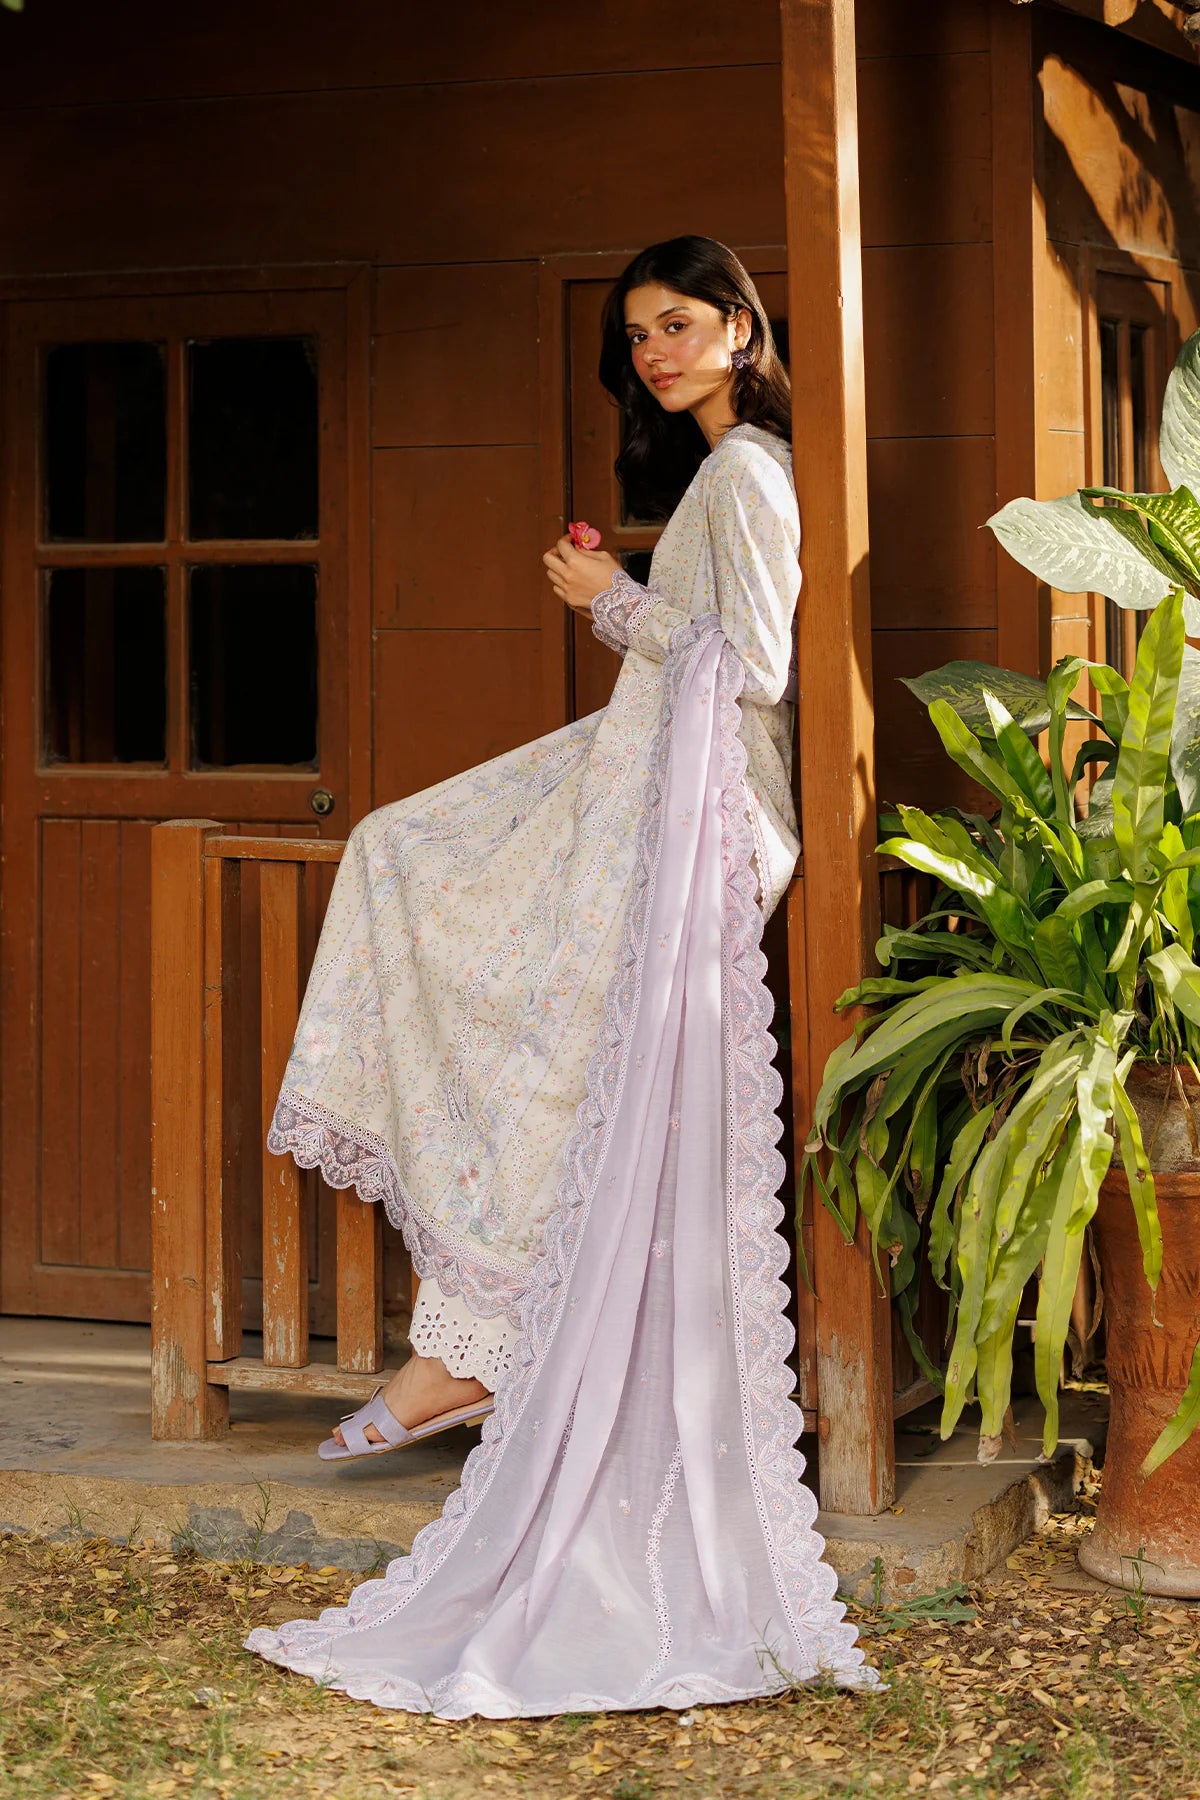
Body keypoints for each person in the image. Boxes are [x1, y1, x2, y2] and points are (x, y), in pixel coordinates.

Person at [246, 235, 876, 1714]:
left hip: (699, 817)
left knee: (527, 1022)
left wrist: (610, 594)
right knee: (412, 867)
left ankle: (475, 1350)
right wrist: (626, 594)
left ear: (742, 328)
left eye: (680, 324)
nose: (655, 353)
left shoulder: (749, 473)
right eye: (637, 335)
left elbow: (756, 669)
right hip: (650, 788)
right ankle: (480, 1338)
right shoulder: (725, 473)